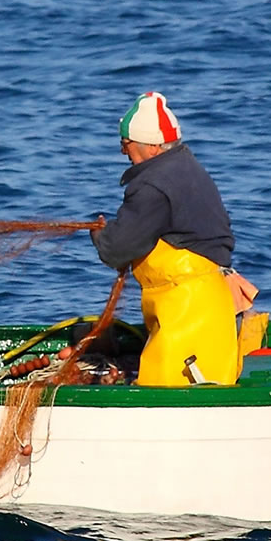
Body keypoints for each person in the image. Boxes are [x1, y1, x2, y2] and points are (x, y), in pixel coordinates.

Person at [91, 92, 242, 386]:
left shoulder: (152, 185)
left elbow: (117, 249)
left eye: (126, 145)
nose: (124, 153)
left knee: (167, 385)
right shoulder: (187, 168)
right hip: (212, 304)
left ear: (152, 147)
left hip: (188, 312)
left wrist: (100, 235)